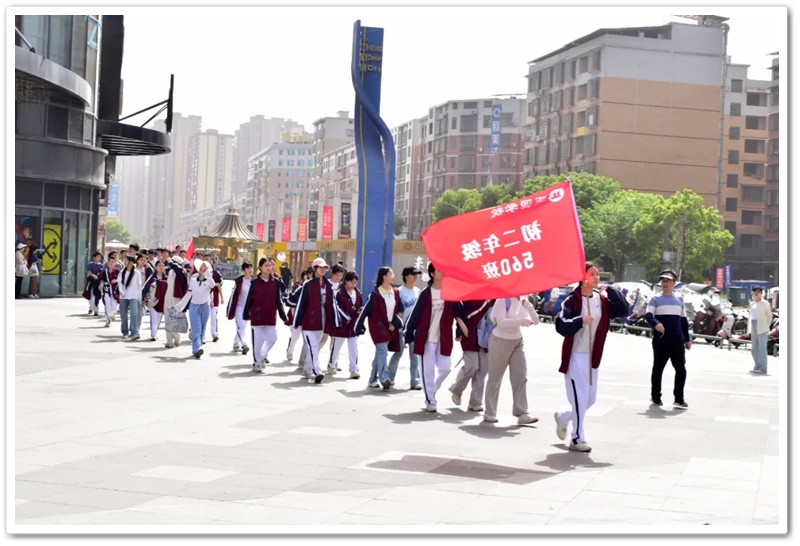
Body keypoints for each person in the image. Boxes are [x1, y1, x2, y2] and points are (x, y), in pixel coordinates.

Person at [554, 262, 629, 452]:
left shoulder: (601, 300)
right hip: (575, 355)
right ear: (582, 278)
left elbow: (623, 311)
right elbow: (561, 325)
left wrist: (612, 291)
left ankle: (564, 416)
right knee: (580, 398)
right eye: (592, 274)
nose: (596, 277)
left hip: (592, 356)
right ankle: (577, 438)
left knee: (590, 399)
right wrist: (581, 321)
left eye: (597, 274)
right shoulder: (572, 300)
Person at [404, 263, 468, 411]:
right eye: (439, 270)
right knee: (428, 371)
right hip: (426, 339)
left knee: (446, 368)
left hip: (443, 338)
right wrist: (407, 335)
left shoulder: (449, 292)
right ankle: (430, 400)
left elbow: (459, 312)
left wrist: (459, 330)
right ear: (432, 274)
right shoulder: (426, 294)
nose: (442, 272)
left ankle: (432, 390)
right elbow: (415, 315)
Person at [482, 294, 540, 425]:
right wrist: (522, 321)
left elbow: (536, 321)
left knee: (520, 376)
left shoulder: (524, 300)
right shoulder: (503, 299)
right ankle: (490, 412)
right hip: (500, 340)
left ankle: (522, 413)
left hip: (517, 340)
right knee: (495, 378)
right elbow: (501, 322)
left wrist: (528, 306)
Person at [645, 269, 692, 409]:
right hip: (661, 339)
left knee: (681, 369)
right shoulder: (655, 299)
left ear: (674, 283)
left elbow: (683, 320)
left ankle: (679, 398)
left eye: (667, 281)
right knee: (658, 368)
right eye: (663, 281)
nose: (664, 283)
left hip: (677, 340)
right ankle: (655, 397)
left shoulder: (679, 299)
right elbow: (648, 315)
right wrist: (656, 324)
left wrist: (687, 339)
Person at [292, 258, 342, 384]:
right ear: (315, 268)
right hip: (309, 319)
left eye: (325, 268)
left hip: (322, 319)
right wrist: (296, 322)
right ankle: (317, 371)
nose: (323, 269)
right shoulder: (308, 285)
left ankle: (307, 370)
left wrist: (335, 321)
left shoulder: (328, 285)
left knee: (313, 346)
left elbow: (332, 304)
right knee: (313, 346)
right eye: (320, 267)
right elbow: (301, 303)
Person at [355, 266, 404, 390]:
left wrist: (395, 324)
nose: (393, 276)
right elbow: (365, 311)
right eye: (391, 274)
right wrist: (358, 326)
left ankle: (372, 379)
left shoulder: (395, 292)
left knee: (380, 353)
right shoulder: (375, 294)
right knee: (382, 351)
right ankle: (384, 378)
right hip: (377, 326)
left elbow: (400, 309)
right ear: (384, 277)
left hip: (390, 326)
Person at [243, 257, 287, 373]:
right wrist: (246, 313)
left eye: (270, 265)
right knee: (257, 341)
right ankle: (257, 363)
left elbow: (279, 300)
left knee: (272, 338)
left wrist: (283, 315)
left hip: (270, 315)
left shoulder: (276, 282)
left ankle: (262, 355)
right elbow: (249, 299)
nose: (269, 267)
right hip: (257, 315)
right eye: (266, 265)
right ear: (260, 268)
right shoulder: (254, 282)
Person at [449, 298, 494, 411]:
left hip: (486, 336)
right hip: (469, 334)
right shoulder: (471, 293)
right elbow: (459, 311)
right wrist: (459, 330)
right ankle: (457, 390)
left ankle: (475, 402)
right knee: (472, 366)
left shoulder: (494, 295)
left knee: (483, 370)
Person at [387, 267, 423, 390]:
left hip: (414, 329)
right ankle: (389, 378)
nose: (415, 277)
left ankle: (415, 381)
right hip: (401, 328)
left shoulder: (418, 291)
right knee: (398, 353)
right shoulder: (399, 291)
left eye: (416, 274)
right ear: (406, 276)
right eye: (413, 274)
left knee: (414, 356)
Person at [175, 258, 216, 359]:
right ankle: (196, 349)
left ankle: (199, 345)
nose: (203, 268)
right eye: (201, 266)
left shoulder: (209, 280)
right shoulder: (193, 280)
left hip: (205, 306)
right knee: (196, 328)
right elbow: (189, 294)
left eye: (205, 267)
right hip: (194, 307)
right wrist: (180, 305)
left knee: (202, 328)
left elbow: (213, 285)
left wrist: (208, 275)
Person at [327, 271, 363, 379]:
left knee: (353, 346)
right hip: (342, 324)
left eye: (356, 282)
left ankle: (353, 369)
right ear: (346, 281)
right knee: (337, 345)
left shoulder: (358, 293)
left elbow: (359, 305)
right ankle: (331, 365)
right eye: (352, 282)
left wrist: (360, 311)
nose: (354, 284)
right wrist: (345, 317)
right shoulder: (339, 293)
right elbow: (336, 307)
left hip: (353, 324)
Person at [226, 262, 254, 355]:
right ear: (243, 270)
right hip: (239, 306)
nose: (250, 270)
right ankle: (244, 344)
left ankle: (236, 344)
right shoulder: (239, 281)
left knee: (242, 327)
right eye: (247, 268)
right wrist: (230, 308)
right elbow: (233, 295)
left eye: (251, 268)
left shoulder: (255, 281)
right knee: (241, 325)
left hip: (248, 308)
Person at [163, 256, 189, 349]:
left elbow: (178, 269)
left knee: (174, 319)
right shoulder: (170, 271)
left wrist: (171, 262)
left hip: (176, 297)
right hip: (168, 296)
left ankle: (177, 337)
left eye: (173, 262)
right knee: (167, 318)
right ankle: (169, 341)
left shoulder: (181, 271)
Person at [284, 269, 309, 362]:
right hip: (296, 317)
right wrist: (294, 316)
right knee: (295, 336)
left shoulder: (314, 288)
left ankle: (304, 360)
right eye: (307, 276)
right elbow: (290, 301)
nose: (309, 278)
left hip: (308, 318)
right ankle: (290, 351)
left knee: (307, 339)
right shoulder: (298, 288)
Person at [142, 260, 169, 342]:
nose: (161, 267)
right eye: (159, 266)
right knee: (154, 317)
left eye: (162, 266)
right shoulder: (152, 277)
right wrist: (143, 297)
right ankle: (153, 334)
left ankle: (155, 332)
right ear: (155, 267)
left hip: (162, 301)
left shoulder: (166, 278)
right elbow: (145, 287)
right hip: (152, 300)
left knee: (159, 318)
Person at [118, 255, 143, 340]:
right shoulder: (122, 272)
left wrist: (140, 297)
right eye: (125, 260)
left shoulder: (136, 273)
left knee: (134, 313)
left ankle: (134, 332)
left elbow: (139, 286)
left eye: (127, 260)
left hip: (133, 296)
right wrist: (122, 291)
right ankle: (125, 332)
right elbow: (119, 283)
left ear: (131, 262)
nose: (125, 262)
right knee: (123, 314)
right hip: (123, 296)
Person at [749, 286, 772, 375]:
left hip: (762, 326)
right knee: (754, 348)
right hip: (753, 324)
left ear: (761, 294)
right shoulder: (752, 303)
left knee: (762, 348)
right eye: (755, 292)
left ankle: (763, 368)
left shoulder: (765, 303)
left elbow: (769, 316)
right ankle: (757, 366)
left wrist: (767, 325)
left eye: (758, 292)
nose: (756, 293)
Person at [99, 253, 120, 327]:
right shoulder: (105, 271)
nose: (111, 263)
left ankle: (112, 314)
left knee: (114, 306)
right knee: (107, 304)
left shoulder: (118, 271)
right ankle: (108, 320)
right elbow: (102, 279)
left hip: (114, 290)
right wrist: (101, 284)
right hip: (107, 288)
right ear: (107, 263)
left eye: (112, 261)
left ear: (115, 263)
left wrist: (116, 280)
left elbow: (121, 280)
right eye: (109, 261)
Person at [207, 256, 224, 343]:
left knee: (214, 316)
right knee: (204, 318)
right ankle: (202, 336)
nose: (208, 262)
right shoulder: (201, 273)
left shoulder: (216, 274)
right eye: (206, 260)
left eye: (209, 260)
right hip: (203, 299)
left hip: (215, 298)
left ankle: (214, 334)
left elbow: (220, 285)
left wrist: (222, 297)